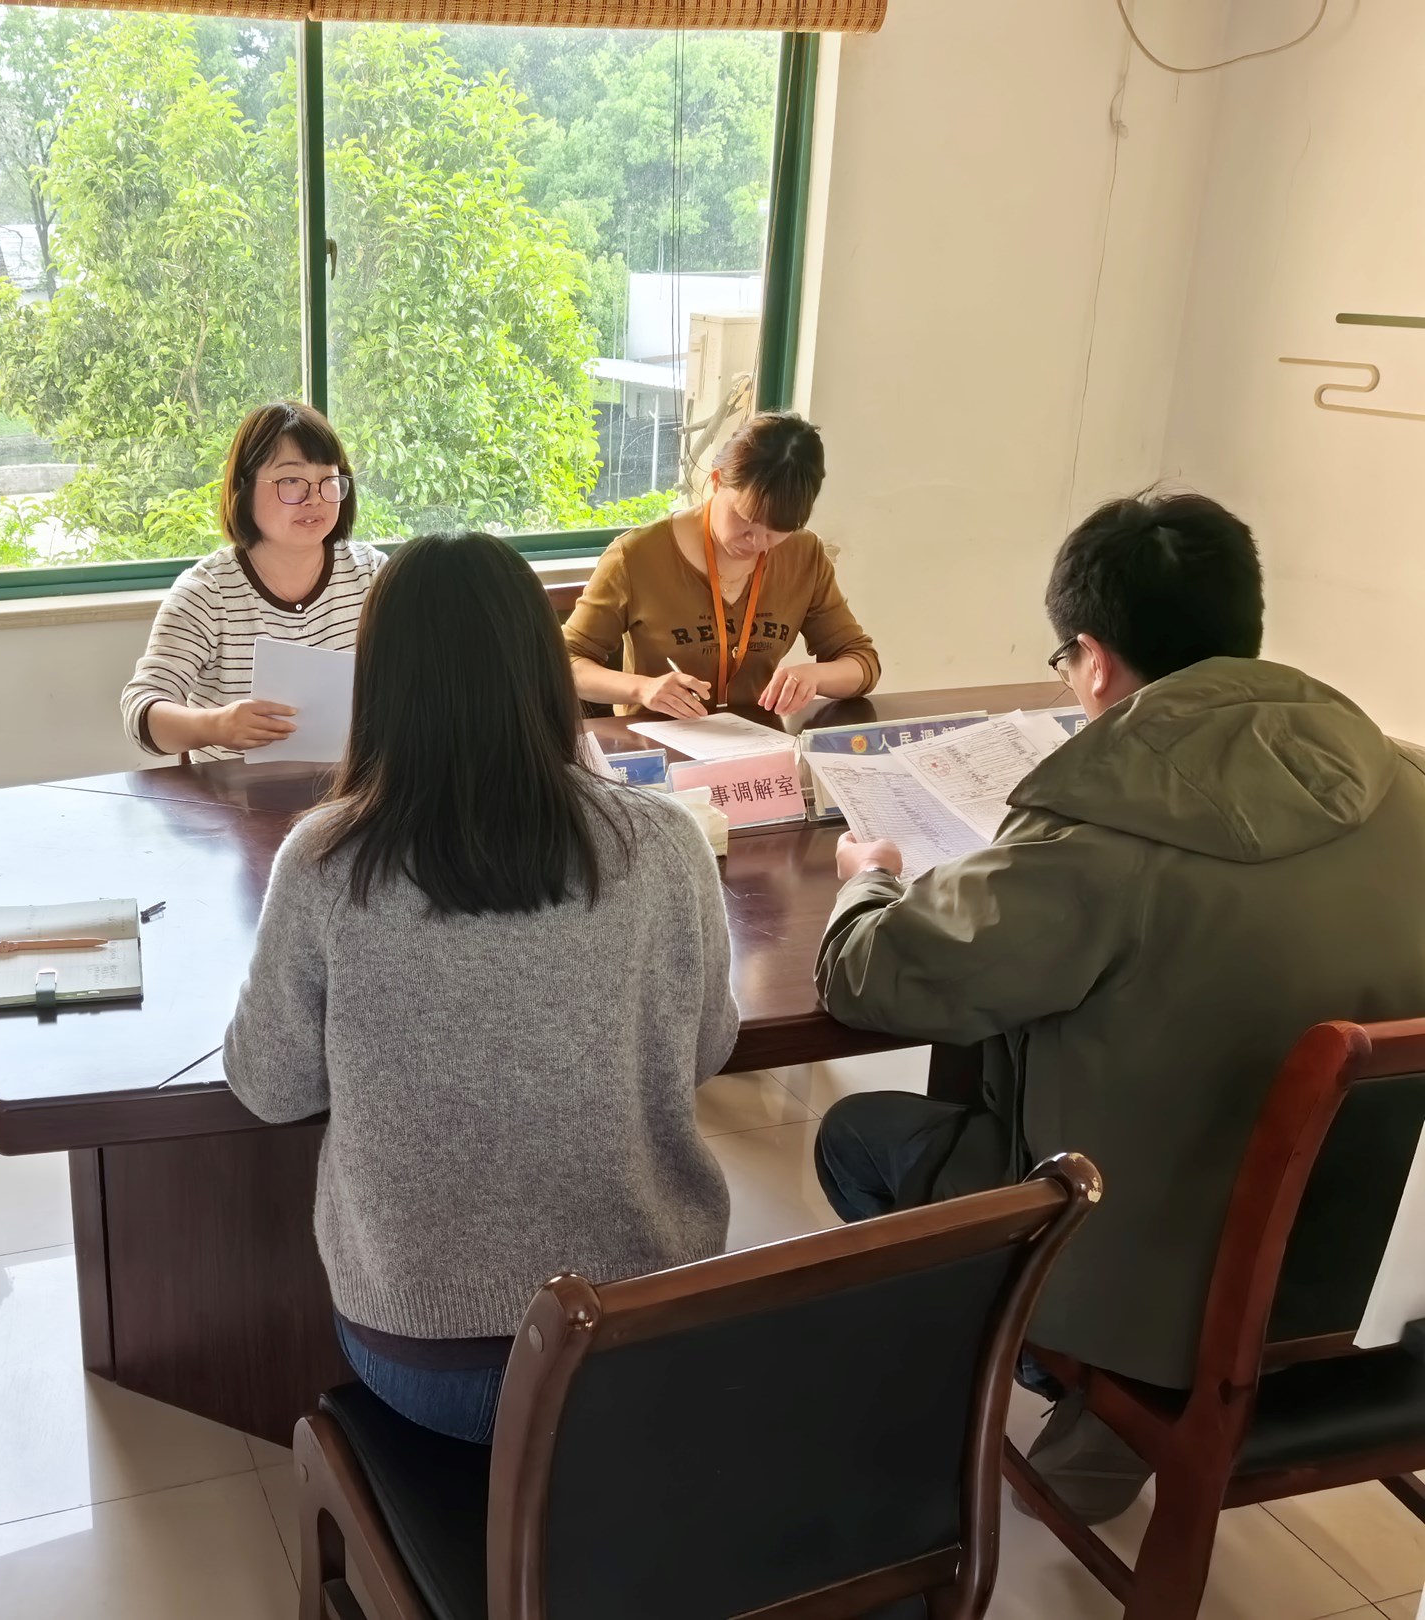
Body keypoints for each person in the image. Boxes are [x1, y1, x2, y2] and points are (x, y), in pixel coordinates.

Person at [809, 491, 1425, 1523]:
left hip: (1143, 1277)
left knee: (856, 1137)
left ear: (1092, 661)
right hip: (1367, 1262)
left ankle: (1072, 1384)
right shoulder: (1404, 781)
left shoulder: (1099, 838)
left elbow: (867, 976)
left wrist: (867, 879)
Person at [222, 531, 740, 1444]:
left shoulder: (327, 858)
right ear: (544, 666)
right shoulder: (664, 840)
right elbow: (706, 1049)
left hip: (425, 1354)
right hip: (645, 1332)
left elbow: (271, 1088)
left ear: (381, 683)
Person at [563, 412, 880, 719]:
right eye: (745, 518)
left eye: (778, 529)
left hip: (756, 742)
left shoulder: (804, 555)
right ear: (716, 481)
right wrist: (642, 689)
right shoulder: (635, 556)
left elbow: (862, 662)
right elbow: (566, 662)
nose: (757, 541)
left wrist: (813, 677)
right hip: (656, 742)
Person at [120, 401, 383, 762]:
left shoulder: (371, 574)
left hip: (352, 788)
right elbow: (141, 712)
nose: (314, 499)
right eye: (291, 481)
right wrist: (216, 726)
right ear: (244, 488)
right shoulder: (207, 592)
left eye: (328, 481)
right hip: (234, 794)